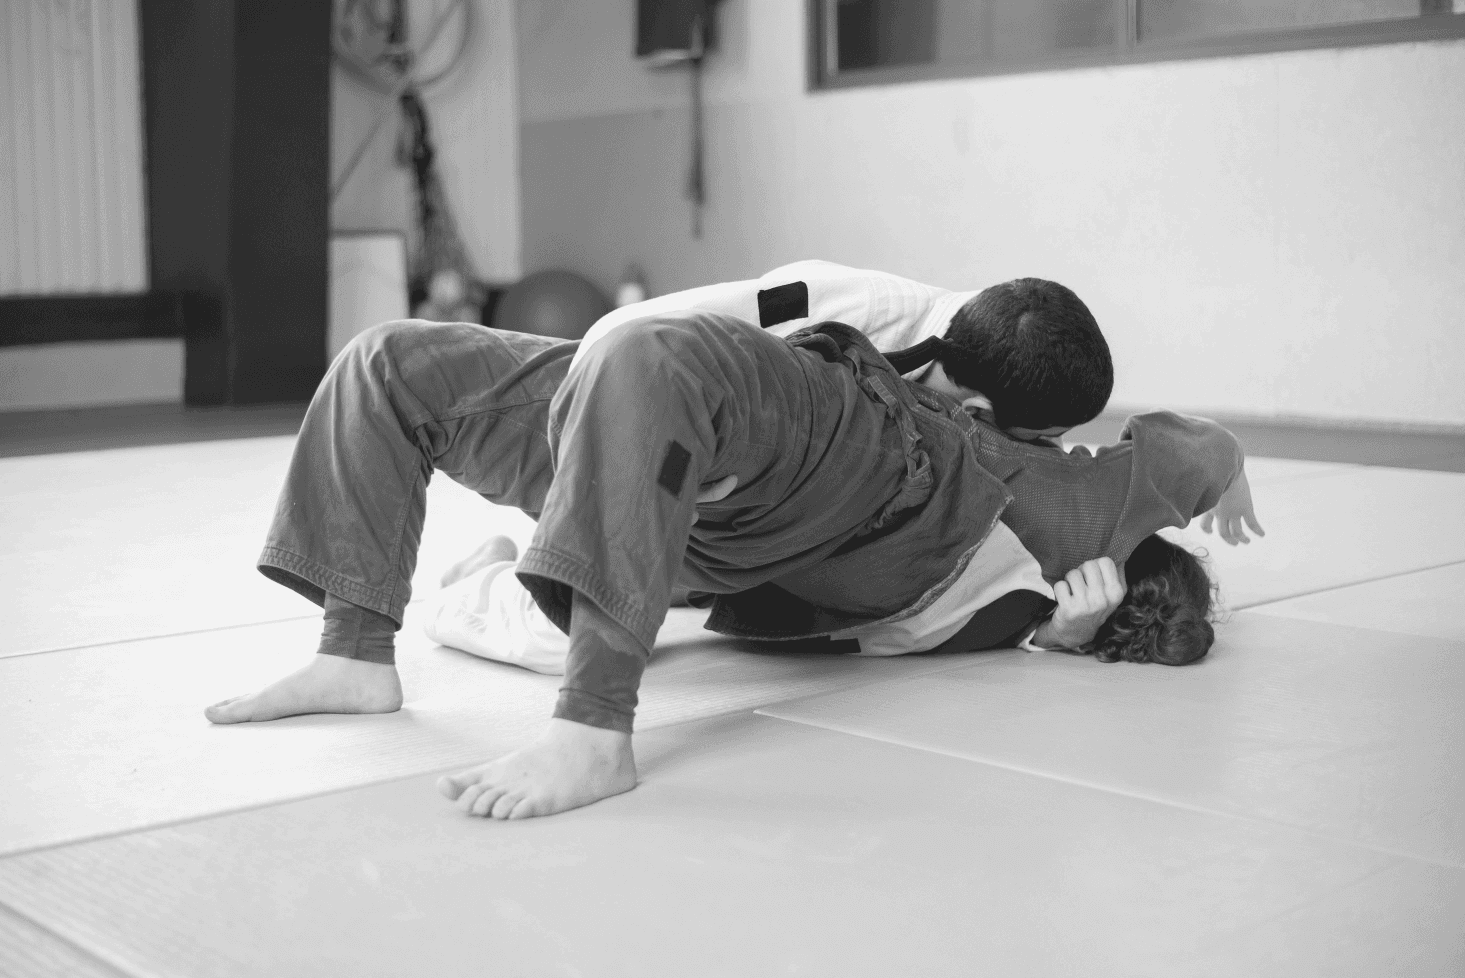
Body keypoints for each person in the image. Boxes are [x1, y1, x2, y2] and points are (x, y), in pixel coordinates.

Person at [203, 283, 1251, 822]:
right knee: (389, 361)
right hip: (711, 472)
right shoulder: (972, 375)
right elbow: (1190, 447)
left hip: (873, 465)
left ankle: (593, 731)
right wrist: (1226, 473)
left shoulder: (1065, 506)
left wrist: (1068, 634)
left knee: (648, 353)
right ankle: (352, 647)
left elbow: (1178, 452)